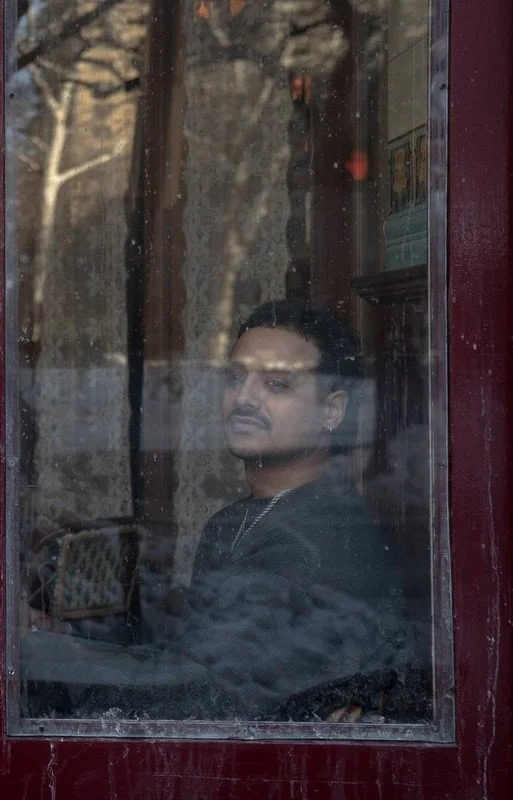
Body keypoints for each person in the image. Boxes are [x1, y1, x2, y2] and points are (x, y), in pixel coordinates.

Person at [176, 299, 416, 719]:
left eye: (277, 385)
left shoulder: (320, 540)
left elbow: (205, 703)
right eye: (235, 377)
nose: (244, 398)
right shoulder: (233, 521)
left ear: (331, 410)